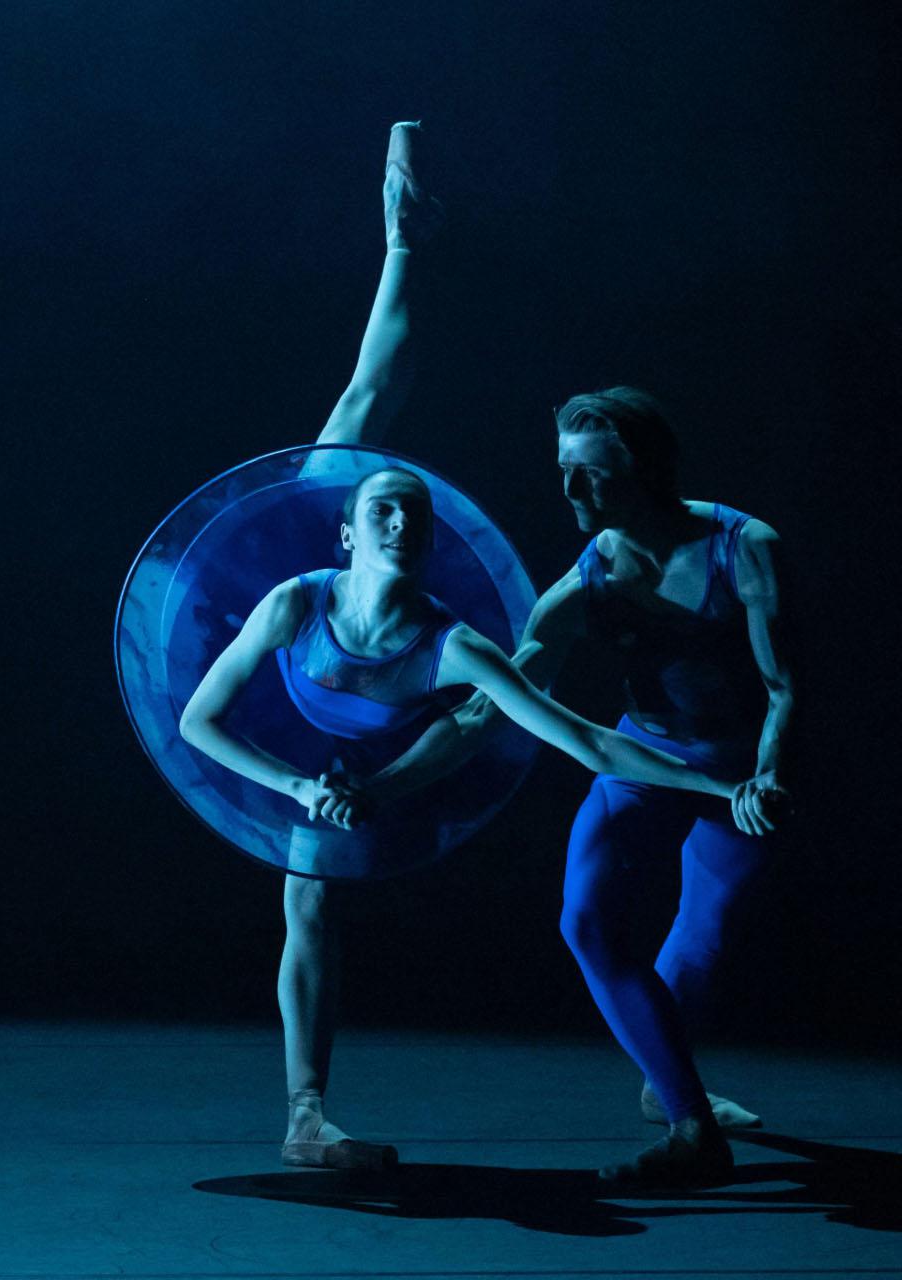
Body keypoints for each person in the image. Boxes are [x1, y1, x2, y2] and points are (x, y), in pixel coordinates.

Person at [173, 125, 775, 1172]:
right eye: (379, 507)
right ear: (348, 530)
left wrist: (722, 784)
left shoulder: (454, 642)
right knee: (307, 886)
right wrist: (405, 247)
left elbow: (578, 735)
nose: (399, 517)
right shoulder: (298, 585)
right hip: (291, 723)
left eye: (414, 509)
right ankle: (306, 1113)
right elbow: (374, 381)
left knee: (663, 905)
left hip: (408, 737)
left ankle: (664, 1068)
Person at [404, 388, 795, 1188]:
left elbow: (786, 688)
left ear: (645, 470)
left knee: (706, 929)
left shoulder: (743, 546)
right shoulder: (586, 584)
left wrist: (768, 775)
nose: (570, 492)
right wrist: (382, 783)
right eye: (562, 472)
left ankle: (669, 1087)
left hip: (736, 773)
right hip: (644, 761)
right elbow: (491, 708)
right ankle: (693, 1126)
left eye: (591, 474)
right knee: (587, 922)